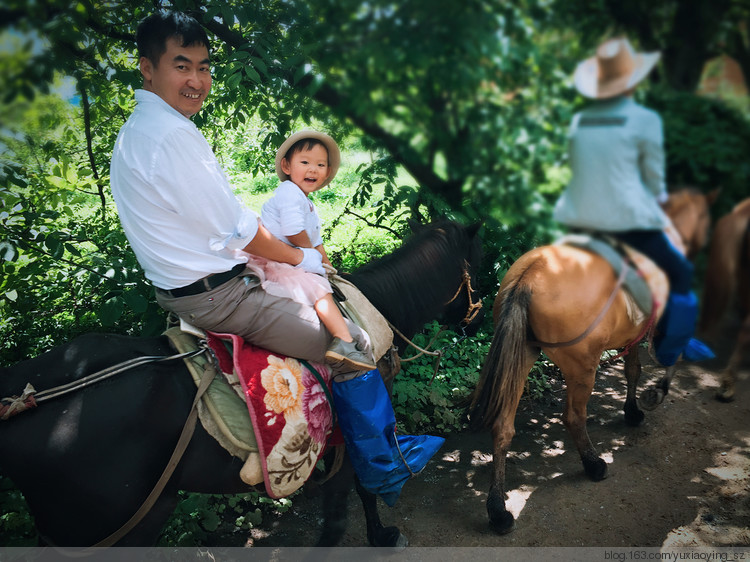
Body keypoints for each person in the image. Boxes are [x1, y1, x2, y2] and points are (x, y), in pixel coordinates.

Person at [109, 10, 373, 373]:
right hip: (219, 297)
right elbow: (236, 229)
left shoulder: (142, 128)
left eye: (204, 68)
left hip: (192, 288)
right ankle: (368, 431)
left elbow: (212, 214)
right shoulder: (170, 134)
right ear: (148, 68)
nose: (197, 81)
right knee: (351, 345)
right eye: (182, 67)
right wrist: (302, 258)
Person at [554, 37, 711, 366]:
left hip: (580, 218)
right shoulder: (644, 120)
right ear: (631, 82)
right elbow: (654, 180)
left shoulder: (581, 120)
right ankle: (669, 347)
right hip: (627, 223)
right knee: (680, 272)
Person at [252, 130, 375, 371]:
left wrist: (329, 268)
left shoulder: (307, 202)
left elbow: (316, 242)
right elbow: (293, 232)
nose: (313, 170)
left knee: (324, 280)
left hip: (292, 256)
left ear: (327, 172)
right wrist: (313, 258)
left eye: (320, 165)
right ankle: (345, 341)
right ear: (287, 166)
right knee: (318, 289)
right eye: (305, 162)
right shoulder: (288, 191)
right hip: (278, 258)